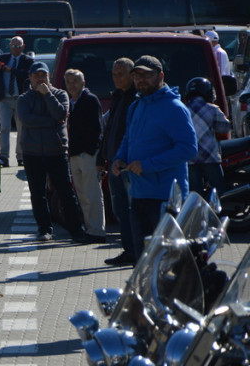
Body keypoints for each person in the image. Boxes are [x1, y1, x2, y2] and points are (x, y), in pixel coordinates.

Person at [112, 55, 197, 257]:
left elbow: (188, 149)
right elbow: (128, 138)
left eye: (146, 75)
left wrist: (147, 165)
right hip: (138, 193)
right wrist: (119, 157)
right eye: (137, 75)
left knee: (165, 262)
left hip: (165, 198)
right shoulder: (136, 105)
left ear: (160, 76)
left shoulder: (174, 108)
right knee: (142, 262)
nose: (141, 79)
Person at [16, 62, 91, 242]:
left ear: (49, 77)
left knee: (66, 191)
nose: (40, 79)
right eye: (36, 76)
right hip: (32, 152)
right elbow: (27, 120)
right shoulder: (23, 99)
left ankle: (76, 230)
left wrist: (47, 95)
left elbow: (60, 114)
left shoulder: (59, 94)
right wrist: (51, 122)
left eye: (44, 75)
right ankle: (44, 229)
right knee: (38, 192)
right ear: (30, 78)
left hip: (56, 150)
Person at [98, 58, 139, 266]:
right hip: (113, 162)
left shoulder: (136, 99)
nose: (116, 78)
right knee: (120, 209)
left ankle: (137, 251)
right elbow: (108, 130)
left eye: (121, 74)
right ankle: (129, 250)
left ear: (132, 75)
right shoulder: (118, 97)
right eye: (114, 74)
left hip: (128, 165)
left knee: (133, 209)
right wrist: (101, 158)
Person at [64, 69, 105, 240]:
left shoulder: (90, 99)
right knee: (82, 194)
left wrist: (93, 152)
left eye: (75, 81)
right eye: (69, 82)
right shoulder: (70, 102)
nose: (72, 85)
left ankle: (97, 231)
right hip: (74, 154)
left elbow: (98, 128)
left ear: (83, 82)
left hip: (88, 154)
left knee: (93, 194)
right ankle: (89, 229)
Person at [184, 77, 231, 198]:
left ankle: (198, 216)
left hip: (190, 158)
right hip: (210, 157)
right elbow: (225, 128)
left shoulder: (183, 109)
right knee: (219, 190)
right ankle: (219, 213)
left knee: (195, 194)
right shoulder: (212, 109)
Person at [0, 36, 33, 167]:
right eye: (13, 46)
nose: (15, 49)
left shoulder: (27, 60)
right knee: (4, 128)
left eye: (18, 46)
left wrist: (12, 70)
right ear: (9, 46)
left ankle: (21, 156)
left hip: (20, 99)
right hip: (4, 99)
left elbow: (27, 75)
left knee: (21, 129)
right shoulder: (2, 59)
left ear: (23, 47)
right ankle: (4, 156)